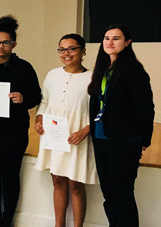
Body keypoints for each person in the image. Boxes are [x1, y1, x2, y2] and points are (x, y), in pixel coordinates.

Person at [0, 15, 42, 227]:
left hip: (14, 131)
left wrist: (23, 99)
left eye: (5, 42)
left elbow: (36, 96)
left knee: (10, 175)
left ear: (14, 44)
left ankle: (8, 218)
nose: (0, 46)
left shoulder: (24, 68)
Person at [87, 24, 155, 227]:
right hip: (101, 138)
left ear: (128, 42)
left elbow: (144, 107)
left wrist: (144, 138)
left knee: (122, 195)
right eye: (107, 38)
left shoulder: (133, 69)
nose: (110, 42)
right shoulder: (103, 69)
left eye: (116, 38)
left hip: (123, 141)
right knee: (109, 195)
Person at [33, 34, 98, 227]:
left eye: (72, 48)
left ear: (83, 50)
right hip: (54, 135)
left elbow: (100, 111)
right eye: (62, 49)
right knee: (57, 180)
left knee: (75, 185)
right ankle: (58, 225)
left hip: (77, 136)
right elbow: (44, 102)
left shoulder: (93, 77)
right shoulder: (53, 74)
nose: (66, 53)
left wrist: (86, 130)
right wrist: (39, 119)